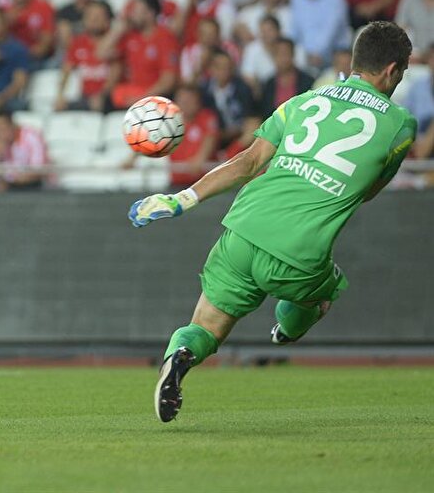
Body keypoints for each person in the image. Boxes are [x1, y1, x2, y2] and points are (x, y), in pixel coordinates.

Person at [130, 21, 416, 423]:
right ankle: (285, 330)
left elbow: (246, 162)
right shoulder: (400, 124)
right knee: (322, 294)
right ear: (391, 70)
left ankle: (179, 357)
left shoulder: (302, 101)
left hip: (242, 233)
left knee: (206, 326)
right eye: (401, 72)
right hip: (300, 255)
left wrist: (182, 199)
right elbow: (368, 190)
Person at [102, 0, 179, 109]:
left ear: (150, 14)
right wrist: (118, 30)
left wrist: (142, 98)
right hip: (131, 93)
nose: (132, 15)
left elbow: (168, 81)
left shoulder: (165, 38)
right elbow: (101, 53)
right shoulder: (130, 36)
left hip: (154, 97)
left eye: (136, 11)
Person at [56, 0, 120, 112]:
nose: (93, 20)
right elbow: (67, 69)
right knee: (61, 108)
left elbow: (117, 70)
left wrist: (103, 95)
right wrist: (60, 95)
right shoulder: (78, 42)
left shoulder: (115, 41)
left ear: (108, 19)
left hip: (109, 97)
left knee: (98, 104)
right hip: (85, 97)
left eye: (98, 16)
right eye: (90, 16)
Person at [290, 0, 351, 73]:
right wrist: (303, 54)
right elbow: (295, 30)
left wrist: (317, 54)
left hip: (333, 55)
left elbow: (331, 31)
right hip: (306, 57)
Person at [0, 110, 48, 192]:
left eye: (2, 128)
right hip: (2, 185)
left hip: (26, 186)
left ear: (11, 125)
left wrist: (10, 182)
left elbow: (38, 171)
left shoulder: (31, 137)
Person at [202, 49, 256, 150]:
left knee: (253, 127)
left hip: (238, 136)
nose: (224, 71)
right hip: (213, 136)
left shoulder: (243, 89)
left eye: (227, 67)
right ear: (211, 69)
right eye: (219, 67)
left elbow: (250, 119)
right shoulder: (204, 91)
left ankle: (231, 153)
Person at [168, 83, 219, 188]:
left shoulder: (206, 117)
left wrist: (201, 157)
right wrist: (133, 158)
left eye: (189, 101)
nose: (185, 104)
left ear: (198, 102)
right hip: (177, 183)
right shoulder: (170, 122)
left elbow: (211, 137)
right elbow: (153, 139)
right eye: (182, 101)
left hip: (203, 183)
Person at [5, 0, 55, 65]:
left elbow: (45, 45)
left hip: (36, 60)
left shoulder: (43, 7)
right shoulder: (5, 12)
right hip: (12, 61)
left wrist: (19, 55)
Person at [257, 37, 314, 118]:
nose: (282, 58)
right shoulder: (268, 84)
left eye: (285, 53)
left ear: (293, 55)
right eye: (278, 54)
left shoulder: (307, 82)